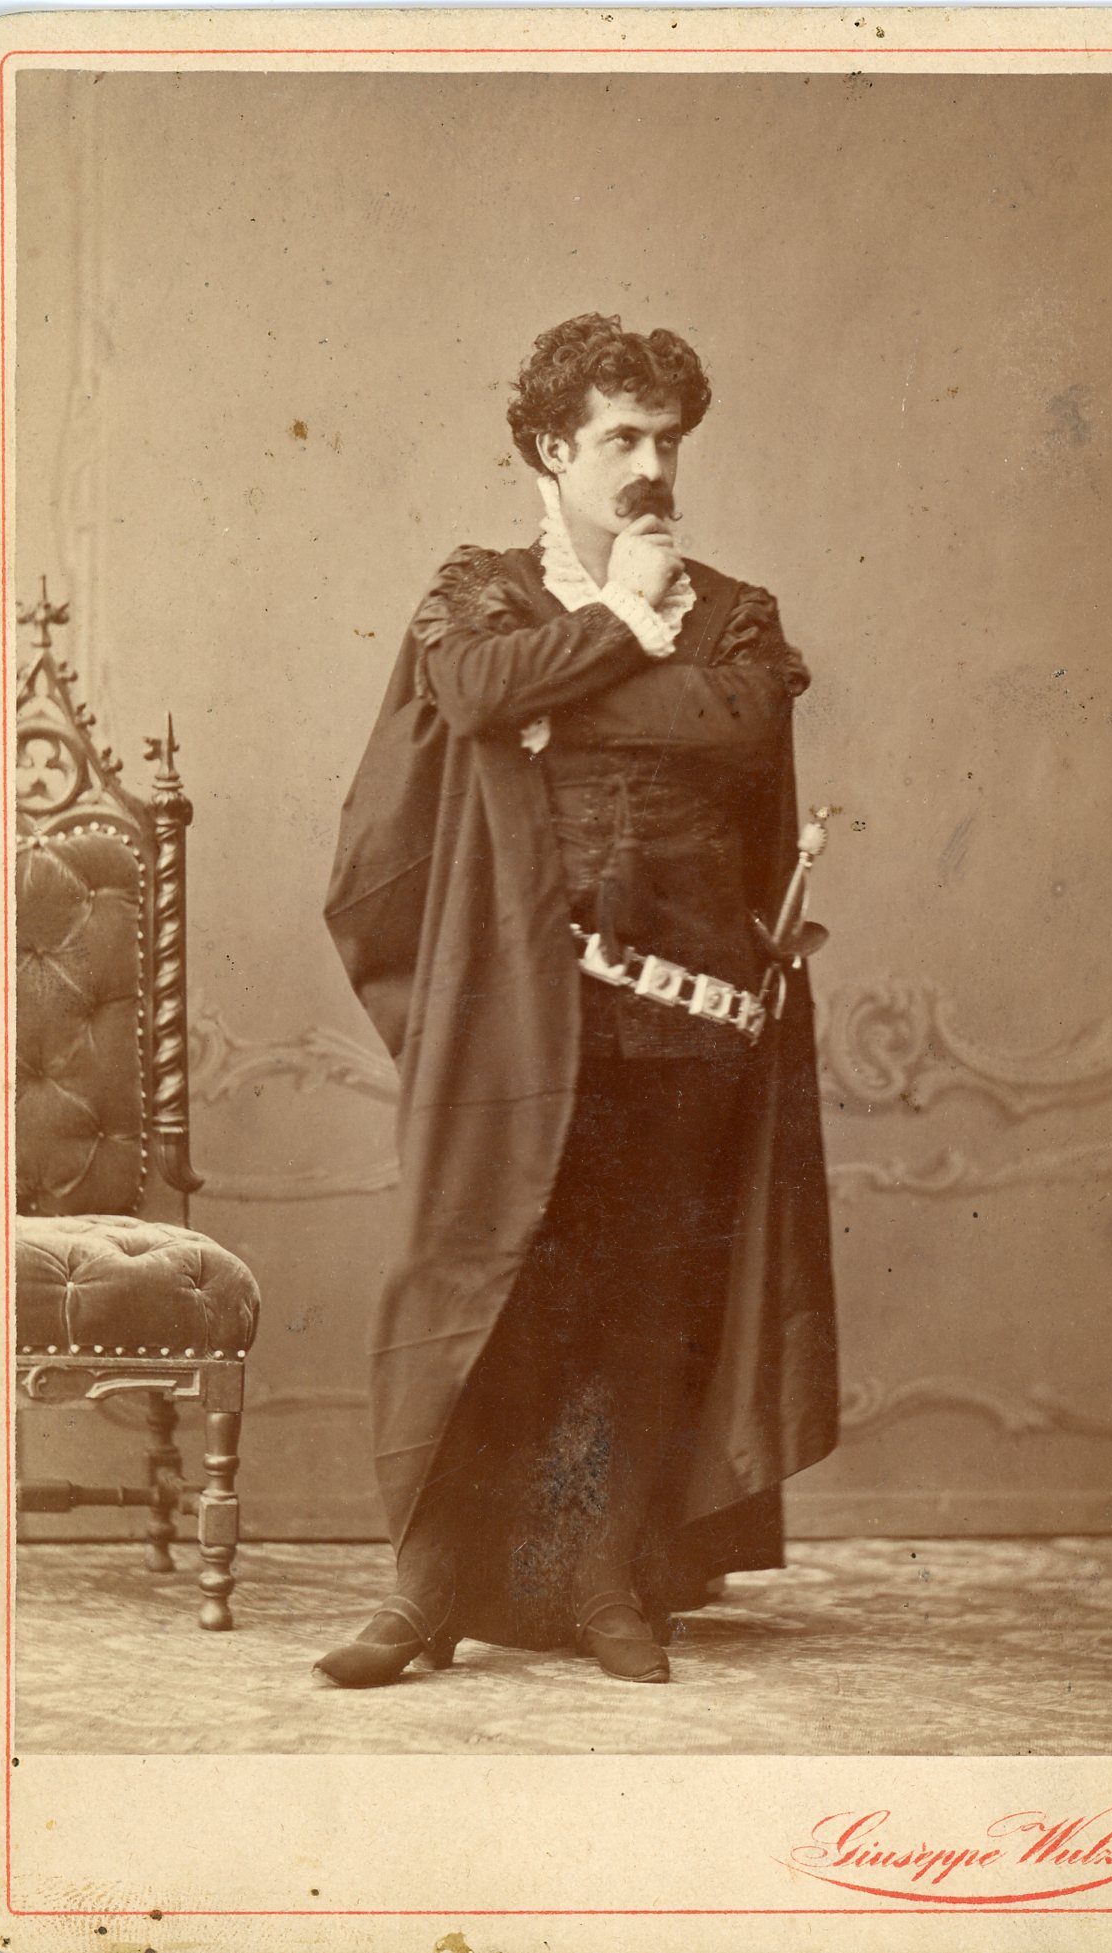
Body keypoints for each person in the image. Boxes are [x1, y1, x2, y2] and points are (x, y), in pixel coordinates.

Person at [316, 313, 838, 1689]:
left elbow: (742, 723)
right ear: (553, 449)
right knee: (489, 1289)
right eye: (620, 438)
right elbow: (473, 689)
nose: (650, 466)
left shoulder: (734, 612)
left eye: (667, 440)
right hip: (518, 1010)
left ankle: (611, 1583)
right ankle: (427, 1593)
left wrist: (563, 704)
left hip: (687, 1016)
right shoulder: (484, 590)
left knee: (642, 1302)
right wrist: (617, 625)